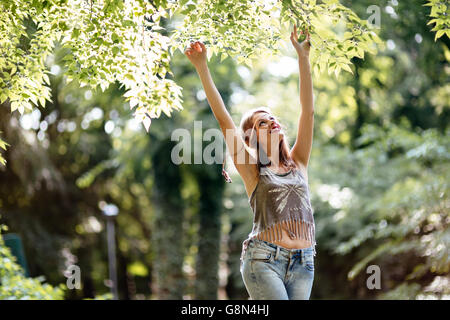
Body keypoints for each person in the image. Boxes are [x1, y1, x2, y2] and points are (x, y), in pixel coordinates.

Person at [185, 24, 316, 300]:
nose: (272, 123)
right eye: (262, 122)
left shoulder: (299, 161)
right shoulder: (252, 170)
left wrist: (303, 58)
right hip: (264, 261)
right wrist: (201, 67)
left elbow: (309, 111)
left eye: (273, 119)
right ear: (251, 136)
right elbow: (224, 120)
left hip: (305, 262)